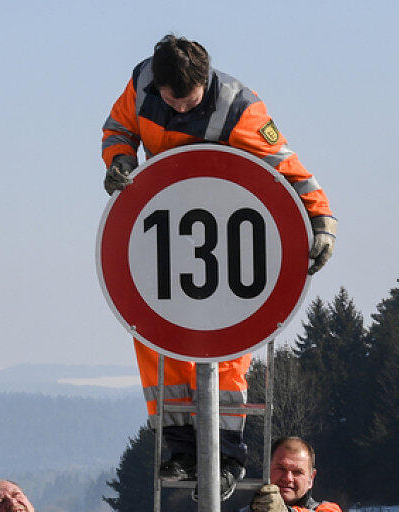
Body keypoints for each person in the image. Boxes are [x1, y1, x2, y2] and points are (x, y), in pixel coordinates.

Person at [100, 34, 337, 501]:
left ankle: (227, 454)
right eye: (174, 103)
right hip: (163, 237)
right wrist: (121, 159)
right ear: (159, 86)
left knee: (227, 356)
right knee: (155, 344)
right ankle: (180, 445)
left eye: (190, 102)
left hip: (227, 245)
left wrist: (321, 218)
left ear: (205, 80)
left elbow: (288, 166)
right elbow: (116, 129)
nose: (182, 111)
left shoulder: (238, 107)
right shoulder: (142, 83)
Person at [243, 437, 341, 512]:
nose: (288, 478)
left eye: (297, 472)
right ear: (267, 470)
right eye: (281, 469)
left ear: (311, 478)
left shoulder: (327, 509)